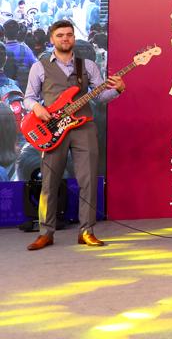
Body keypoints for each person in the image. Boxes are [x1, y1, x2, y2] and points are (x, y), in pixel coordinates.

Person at [23, 20, 126, 250]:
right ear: (52, 39)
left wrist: (118, 89)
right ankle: (45, 233)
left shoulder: (87, 66)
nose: (65, 38)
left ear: (73, 38)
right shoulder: (39, 67)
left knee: (88, 180)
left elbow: (100, 97)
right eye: (60, 35)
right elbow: (28, 98)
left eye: (69, 34)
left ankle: (86, 231)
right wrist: (37, 108)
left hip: (83, 126)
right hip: (52, 130)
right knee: (49, 182)